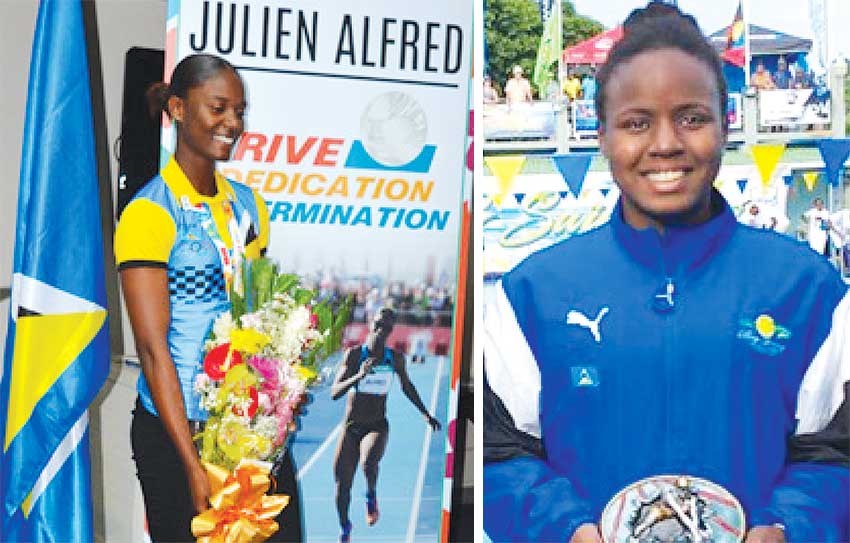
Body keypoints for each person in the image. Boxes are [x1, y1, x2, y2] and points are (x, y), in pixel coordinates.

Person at [483, 4, 849, 543]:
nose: (665, 144)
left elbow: (835, 451)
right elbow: (499, 453)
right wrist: (565, 529)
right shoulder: (531, 294)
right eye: (636, 123)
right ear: (602, 135)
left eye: (691, 117)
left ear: (725, 125)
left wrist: (791, 526)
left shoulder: (809, 289)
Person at [114, 54, 302, 542]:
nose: (232, 124)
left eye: (239, 111)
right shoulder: (149, 214)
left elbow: (259, 315)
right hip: (177, 435)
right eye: (218, 108)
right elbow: (155, 353)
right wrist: (193, 464)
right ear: (177, 108)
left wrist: (278, 394)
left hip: (246, 432)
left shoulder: (247, 204)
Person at [331, 307, 441, 542]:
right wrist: (358, 376)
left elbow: (407, 387)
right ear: (372, 323)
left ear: (392, 331)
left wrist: (425, 413)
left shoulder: (394, 358)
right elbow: (334, 393)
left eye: (388, 326)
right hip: (351, 427)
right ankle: (345, 526)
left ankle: (371, 495)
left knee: (368, 462)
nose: (382, 329)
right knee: (341, 486)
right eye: (379, 323)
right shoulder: (353, 355)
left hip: (376, 426)